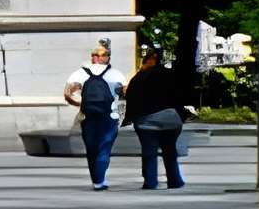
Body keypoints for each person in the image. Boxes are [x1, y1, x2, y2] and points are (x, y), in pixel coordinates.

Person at [124, 43, 195, 191]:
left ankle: (151, 182)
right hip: (170, 120)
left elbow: (130, 97)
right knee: (170, 151)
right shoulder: (171, 75)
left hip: (146, 122)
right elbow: (181, 96)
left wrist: (132, 118)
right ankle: (175, 180)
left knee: (149, 152)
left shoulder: (139, 78)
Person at [64, 41, 122, 190]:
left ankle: (96, 179)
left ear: (92, 57)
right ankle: (100, 179)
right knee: (105, 147)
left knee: (91, 149)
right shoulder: (115, 74)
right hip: (109, 116)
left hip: (87, 116)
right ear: (107, 57)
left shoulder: (80, 73)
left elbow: (67, 94)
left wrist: (81, 104)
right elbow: (126, 94)